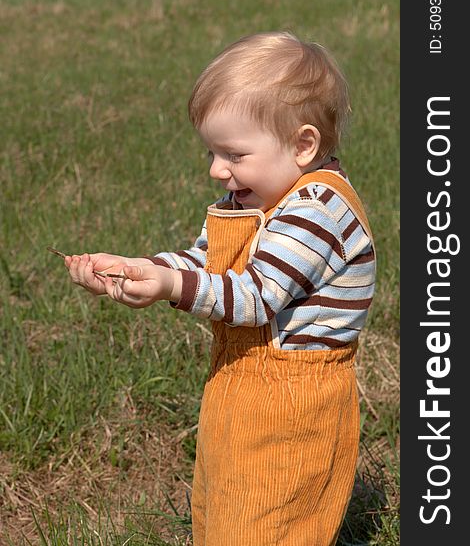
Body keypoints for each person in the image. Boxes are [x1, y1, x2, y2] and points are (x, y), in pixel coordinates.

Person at [65, 31, 376, 546]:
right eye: (212, 151)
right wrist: (141, 268)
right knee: (225, 514)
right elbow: (207, 261)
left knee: (271, 522)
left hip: (294, 402)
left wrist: (171, 286)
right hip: (238, 386)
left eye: (233, 153)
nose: (217, 169)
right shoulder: (255, 197)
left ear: (303, 145)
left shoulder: (319, 210)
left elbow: (255, 297)